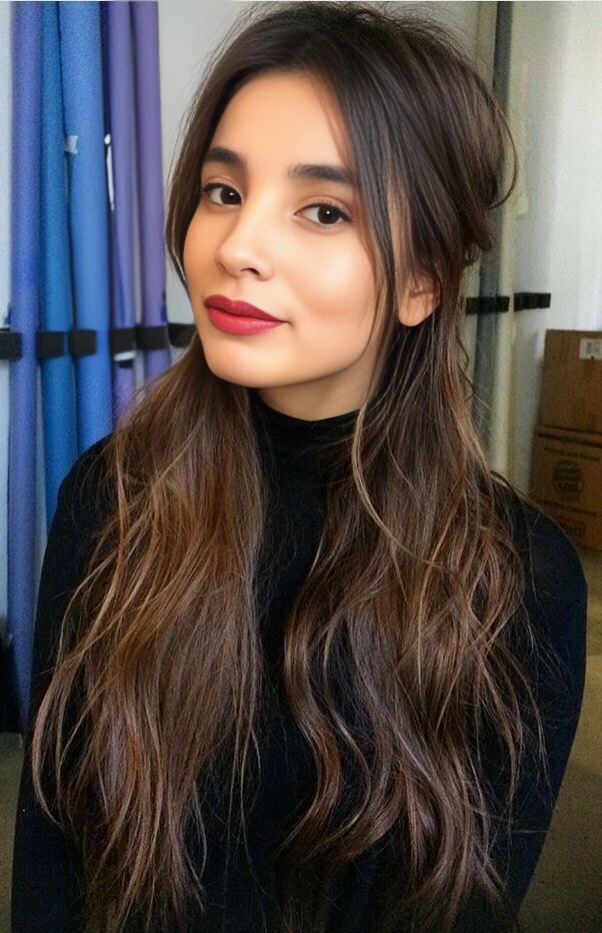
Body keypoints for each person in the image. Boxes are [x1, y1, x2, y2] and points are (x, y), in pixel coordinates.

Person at [12, 3, 588, 932]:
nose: (237, 247)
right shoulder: (113, 500)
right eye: (222, 191)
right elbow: (53, 850)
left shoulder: (517, 580)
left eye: (323, 210)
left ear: (424, 278)